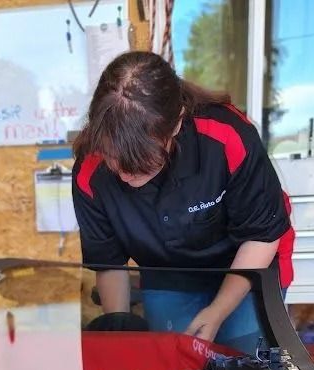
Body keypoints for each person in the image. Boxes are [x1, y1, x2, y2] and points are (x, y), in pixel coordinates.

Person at [72, 51, 295, 353]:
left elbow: (262, 235)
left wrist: (217, 312)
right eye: (115, 160)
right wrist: (119, 327)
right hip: (168, 274)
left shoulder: (227, 136)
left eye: (140, 162)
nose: (125, 175)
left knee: (247, 365)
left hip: (248, 265)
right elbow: (109, 262)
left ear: (176, 124)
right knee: (175, 366)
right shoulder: (90, 171)